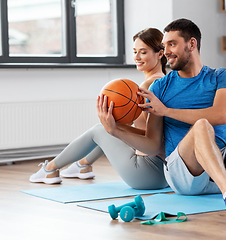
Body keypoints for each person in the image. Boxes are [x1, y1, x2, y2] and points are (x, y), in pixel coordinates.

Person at [98, 18, 226, 224]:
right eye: (164, 45)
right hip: (184, 175)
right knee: (202, 126)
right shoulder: (160, 87)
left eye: (172, 44)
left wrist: (166, 110)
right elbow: (151, 145)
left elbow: (220, 115)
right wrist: (115, 130)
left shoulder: (221, 76)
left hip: (221, 165)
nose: (166, 51)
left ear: (192, 44)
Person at [30, 28, 169, 190]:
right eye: (135, 51)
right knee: (109, 129)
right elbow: (152, 133)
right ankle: (83, 165)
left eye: (143, 52)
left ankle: (50, 169)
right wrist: (115, 125)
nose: (137, 57)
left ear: (160, 54)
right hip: (164, 174)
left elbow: (150, 138)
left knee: (100, 130)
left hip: (146, 174)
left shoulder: (148, 86)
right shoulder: (164, 81)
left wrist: (112, 126)